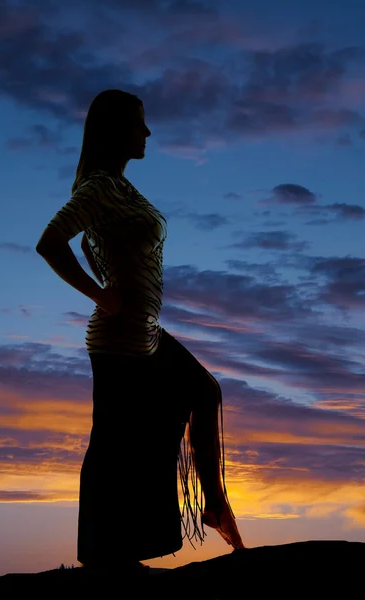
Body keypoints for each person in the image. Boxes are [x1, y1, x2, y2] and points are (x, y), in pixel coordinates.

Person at [36, 89, 245, 574]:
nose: (147, 133)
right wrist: (102, 295)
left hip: (145, 329)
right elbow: (50, 243)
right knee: (116, 442)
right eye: (138, 124)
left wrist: (109, 273)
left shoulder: (119, 189)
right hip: (118, 335)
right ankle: (107, 557)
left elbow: (97, 244)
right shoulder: (99, 188)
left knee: (200, 394)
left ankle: (212, 504)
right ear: (115, 131)